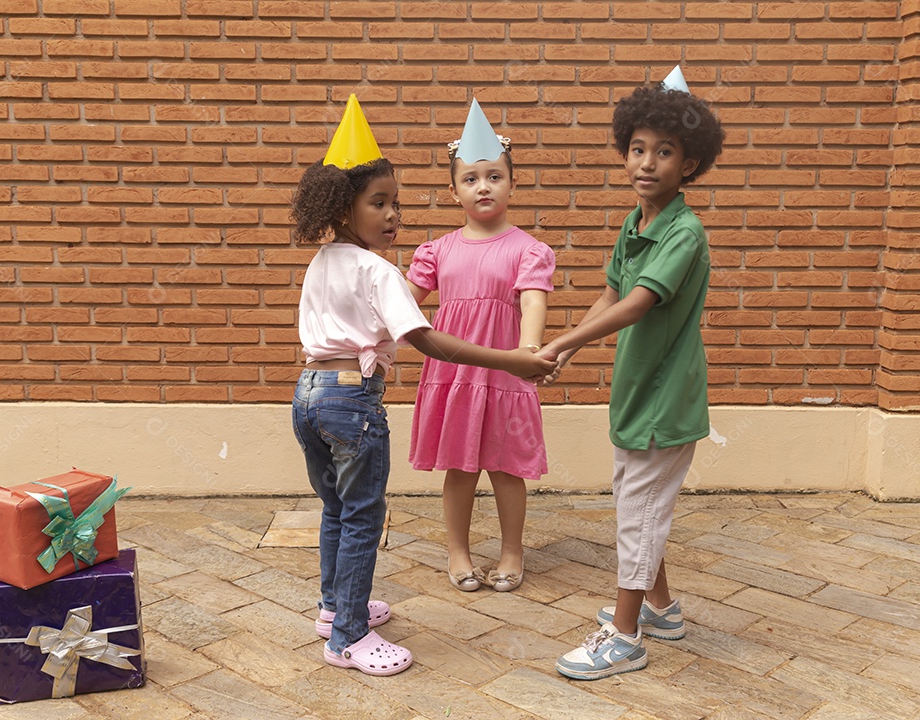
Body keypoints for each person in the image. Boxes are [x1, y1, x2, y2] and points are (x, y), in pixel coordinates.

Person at [290, 94, 555, 677]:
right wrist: (512, 359)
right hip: (350, 401)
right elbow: (427, 338)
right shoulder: (380, 269)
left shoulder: (320, 262)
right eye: (379, 204)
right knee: (362, 515)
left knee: (335, 508)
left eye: (396, 205)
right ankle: (349, 640)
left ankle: (333, 610)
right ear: (343, 208)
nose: (392, 216)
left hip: (308, 393)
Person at [540, 67, 725, 680]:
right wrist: (566, 348)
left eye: (664, 151)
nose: (647, 163)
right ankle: (661, 609)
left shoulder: (684, 232)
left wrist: (564, 339)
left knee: (637, 512)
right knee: (637, 503)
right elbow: (613, 291)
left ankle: (624, 636)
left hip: (665, 402)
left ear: (690, 163)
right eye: (638, 149)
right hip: (636, 395)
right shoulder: (636, 220)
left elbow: (639, 302)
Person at [406, 100, 556, 594]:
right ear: (453, 191)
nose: (483, 186)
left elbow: (533, 302)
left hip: (506, 372)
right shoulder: (437, 250)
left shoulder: (528, 249)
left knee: (507, 466)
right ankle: (459, 552)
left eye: (494, 176)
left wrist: (530, 352)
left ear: (511, 184)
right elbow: (403, 305)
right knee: (459, 466)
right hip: (454, 375)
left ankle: (512, 551)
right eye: (471, 179)